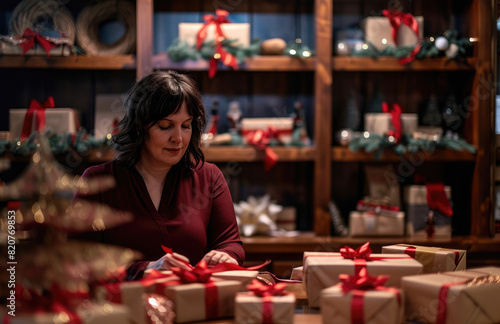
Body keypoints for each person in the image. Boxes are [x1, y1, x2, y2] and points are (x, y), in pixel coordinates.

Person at [74, 70, 244, 280]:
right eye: (165, 126)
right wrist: (145, 269)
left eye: (186, 126)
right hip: (122, 308)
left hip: (191, 306)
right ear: (138, 128)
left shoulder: (209, 177)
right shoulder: (96, 182)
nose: (179, 138)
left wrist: (226, 256)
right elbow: (77, 260)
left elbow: (230, 244)